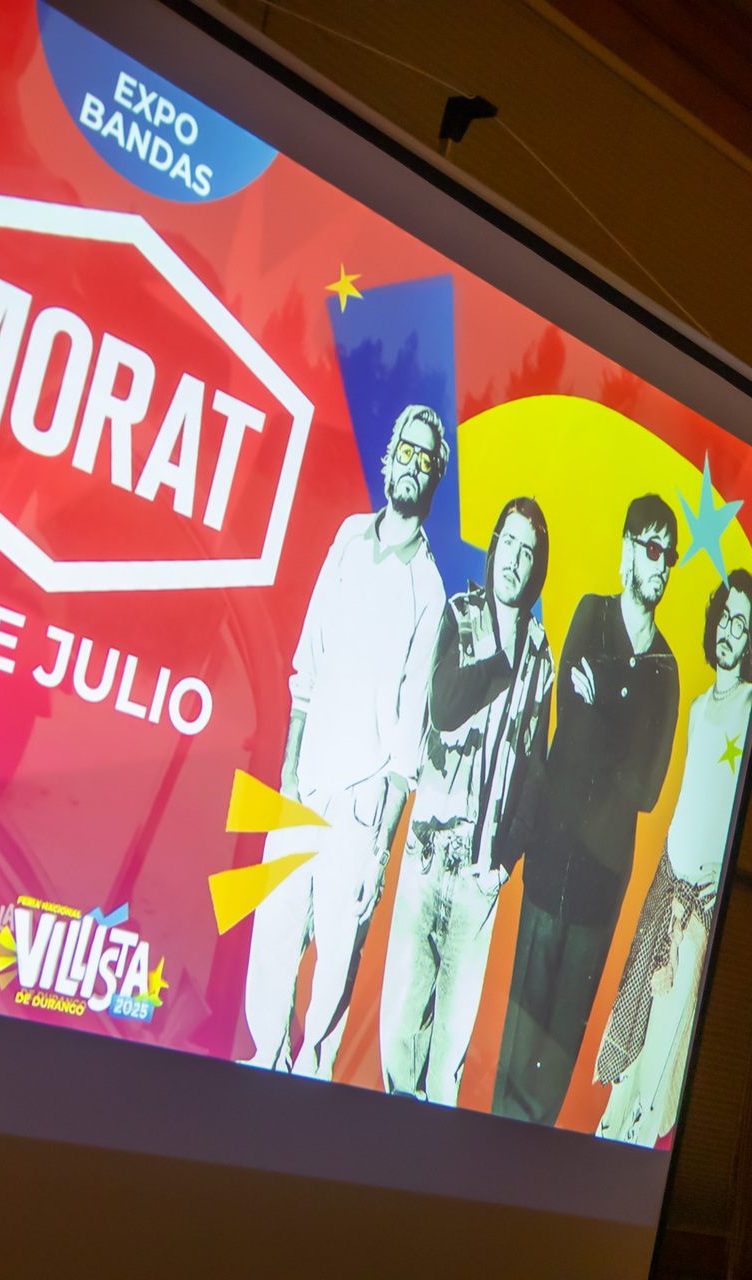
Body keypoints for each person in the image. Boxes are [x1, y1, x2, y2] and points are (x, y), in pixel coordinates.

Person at [240, 404, 449, 1080]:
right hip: (304, 781)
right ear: (388, 457)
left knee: (334, 960)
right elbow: (308, 661)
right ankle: (259, 1065)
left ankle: (308, 1088)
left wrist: (379, 848)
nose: (411, 465)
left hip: (361, 807)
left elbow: (410, 736)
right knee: (273, 936)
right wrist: (288, 772)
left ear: (434, 478)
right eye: (405, 451)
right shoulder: (348, 538)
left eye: (425, 459)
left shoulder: (430, 589)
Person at [492, 494, 682, 1125]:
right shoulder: (590, 614)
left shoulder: (666, 670)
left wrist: (601, 707)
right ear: (628, 550)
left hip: (602, 889)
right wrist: (611, 730)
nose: (661, 565)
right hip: (550, 863)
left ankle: (527, 1168)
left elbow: (647, 789)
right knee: (519, 1039)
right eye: (651, 549)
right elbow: (568, 730)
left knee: (557, 1053)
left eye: (669, 556)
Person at [379, 497, 554, 1106]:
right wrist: (496, 663)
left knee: (448, 1054)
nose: (515, 559)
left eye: (528, 551)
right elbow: (445, 709)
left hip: (481, 874)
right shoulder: (462, 613)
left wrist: (504, 861)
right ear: (494, 545)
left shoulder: (541, 653)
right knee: (400, 1032)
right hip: (429, 854)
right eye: (509, 543)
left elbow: (537, 770)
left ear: (536, 566)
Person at [594, 569, 752, 1146]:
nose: (730, 631)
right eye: (726, 617)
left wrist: (725, 876)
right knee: (635, 1039)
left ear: (751, 638)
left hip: (698, 915)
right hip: (665, 893)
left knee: (665, 1050)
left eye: (742, 624)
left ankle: (636, 1160)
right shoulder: (695, 706)